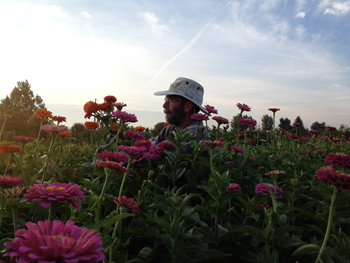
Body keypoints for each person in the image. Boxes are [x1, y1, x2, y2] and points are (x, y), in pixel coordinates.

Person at [149, 77, 209, 154]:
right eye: (165, 100)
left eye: (170, 100)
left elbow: (164, 152)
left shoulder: (196, 131)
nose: (164, 105)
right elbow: (148, 145)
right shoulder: (171, 128)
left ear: (187, 106)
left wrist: (149, 145)